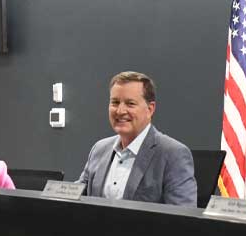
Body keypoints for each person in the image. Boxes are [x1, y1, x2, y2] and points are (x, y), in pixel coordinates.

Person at [78, 71, 197, 206]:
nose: (120, 111)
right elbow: (75, 196)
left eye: (130, 104)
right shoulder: (99, 149)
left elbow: (182, 216)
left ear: (150, 109)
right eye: (115, 102)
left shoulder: (173, 154)